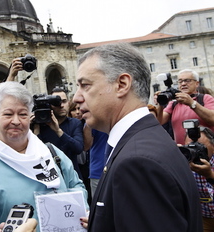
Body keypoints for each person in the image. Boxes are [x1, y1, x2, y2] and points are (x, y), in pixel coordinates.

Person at [73, 42, 202, 231]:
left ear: (122, 85)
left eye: (85, 85)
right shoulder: (145, 140)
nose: (76, 97)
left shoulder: (137, 162)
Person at [0, 81, 87, 232]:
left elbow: (77, 186)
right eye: (8, 114)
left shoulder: (51, 153)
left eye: (23, 114)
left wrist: (80, 213)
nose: (16, 121)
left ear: (30, 117)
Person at [33, 88, 84, 178]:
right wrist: (35, 128)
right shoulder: (41, 125)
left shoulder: (75, 123)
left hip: (72, 176)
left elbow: (78, 148)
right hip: (49, 176)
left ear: (68, 102)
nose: (61, 105)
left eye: (64, 101)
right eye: (56, 103)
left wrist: (58, 131)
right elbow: (35, 152)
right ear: (50, 105)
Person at [156, 69, 214, 145]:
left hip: (205, 150)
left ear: (197, 83)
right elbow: (159, 121)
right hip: (182, 151)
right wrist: (161, 103)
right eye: (180, 81)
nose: (183, 84)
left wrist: (192, 104)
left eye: (187, 81)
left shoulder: (205, 98)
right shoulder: (174, 103)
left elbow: (212, 119)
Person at [185, 126, 214, 231]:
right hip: (201, 217)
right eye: (190, 147)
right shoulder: (183, 162)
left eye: (200, 147)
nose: (195, 152)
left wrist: (209, 175)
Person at [68, 100, 91, 202]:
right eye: (74, 109)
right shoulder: (69, 127)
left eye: (79, 109)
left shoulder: (89, 124)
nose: (77, 112)